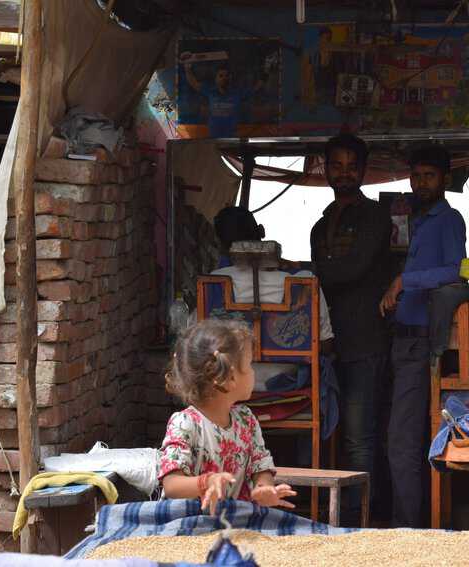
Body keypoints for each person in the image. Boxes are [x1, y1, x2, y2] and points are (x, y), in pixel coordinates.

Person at [380, 144, 466, 528]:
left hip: (421, 343)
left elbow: (456, 270)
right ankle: (405, 521)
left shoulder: (448, 219)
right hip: (401, 339)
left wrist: (405, 280)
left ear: (444, 179)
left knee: (402, 440)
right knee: (400, 437)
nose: (421, 183)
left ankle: (407, 531)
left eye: (429, 175)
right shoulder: (414, 218)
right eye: (416, 176)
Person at [310, 134, 392, 522]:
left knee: (360, 437)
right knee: (331, 434)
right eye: (336, 166)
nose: (343, 173)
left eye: (350, 166)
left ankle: (366, 523)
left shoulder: (375, 217)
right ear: (325, 168)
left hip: (364, 341)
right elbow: (327, 281)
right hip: (329, 345)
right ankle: (337, 517)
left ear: (362, 171)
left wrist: (310, 275)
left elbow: (354, 268)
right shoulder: (319, 225)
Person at [158, 319, 297, 514]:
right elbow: (171, 485)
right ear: (229, 378)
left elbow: (260, 466)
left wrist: (263, 488)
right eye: (249, 365)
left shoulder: (246, 420)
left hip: (232, 521)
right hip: (186, 523)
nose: (253, 372)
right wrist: (206, 482)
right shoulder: (185, 423)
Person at [211, 206, 334, 345]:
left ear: (220, 242)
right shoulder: (304, 280)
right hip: (288, 364)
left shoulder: (213, 281)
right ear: (261, 232)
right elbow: (325, 341)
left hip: (230, 363)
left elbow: (196, 331)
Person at [182, 62, 266, 138]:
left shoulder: (237, 93)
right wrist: (187, 67)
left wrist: (267, 70)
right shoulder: (211, 92)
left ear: (230, 77)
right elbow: (194, 83)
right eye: (221, 76)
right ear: (216, 79)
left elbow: (256, 88)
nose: (224, 78)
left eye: (227, 75)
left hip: (232, 138)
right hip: (213, 138)